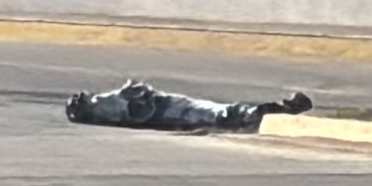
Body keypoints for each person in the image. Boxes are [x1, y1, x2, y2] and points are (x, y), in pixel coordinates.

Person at [65, 80, 313, 131]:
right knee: (220, 114)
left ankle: (278, 110)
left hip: (166, 108)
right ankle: (284, 108)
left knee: (217, 112)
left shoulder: (102, 109)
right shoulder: (103, 107)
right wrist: (136, 93)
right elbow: (133, 109)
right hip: (167, 111)